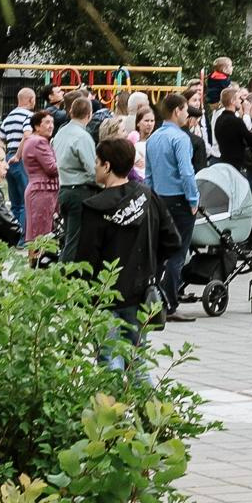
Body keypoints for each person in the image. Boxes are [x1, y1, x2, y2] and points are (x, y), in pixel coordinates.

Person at [70, 135, 184, 370]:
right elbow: (173, 240)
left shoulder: (94, 207)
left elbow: (86, 260)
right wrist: (151, 264)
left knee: (108, 361)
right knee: (137, 362)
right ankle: (146, 406)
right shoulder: (148, 196)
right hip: (141, 292)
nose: (94, 166)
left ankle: (112, 407)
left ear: (107, 165)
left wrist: (80, 299)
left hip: (105, 296)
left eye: (97, 161)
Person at [146, 96, 200, 315]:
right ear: (177, 110)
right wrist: (193, 199)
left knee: (159, 251)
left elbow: (148, 174)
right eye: (186, 110)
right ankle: (170, 303)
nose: (188, 114)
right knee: (177, 252)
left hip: (158, 198)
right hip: (179, 198)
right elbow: (186, 172)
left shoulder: (154, 137)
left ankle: (153, 298)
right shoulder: (180, 138)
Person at [52, 91, 101, 260]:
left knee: (67, 238)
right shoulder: (83, 136)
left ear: (71, 112)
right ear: (89, 114)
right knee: (74, 241)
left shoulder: (61, 132)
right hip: (79, 191)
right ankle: (63, 278)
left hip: (64, 188)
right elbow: (92, 169)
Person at [18, 107, 61, 254]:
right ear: (37, 126)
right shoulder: (39, 142)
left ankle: (34, 267)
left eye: (52, 122)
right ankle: (35, 269)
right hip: (42, 191)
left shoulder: (33, 140)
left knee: (38, 234)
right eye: (47, 122)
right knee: (40, 236)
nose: (51, 126)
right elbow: (52, 168)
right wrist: (66, 161)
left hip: (41, 190)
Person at [0, 86, 38, 233]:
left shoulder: (9, 117)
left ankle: (13, 233)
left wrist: (4, 158)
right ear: (31, 100)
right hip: (20, 159)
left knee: (15, 202)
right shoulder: (29, 116)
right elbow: (27, 135)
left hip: (8, 158)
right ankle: (23, 236)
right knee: (25, 201)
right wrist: (18, 155)